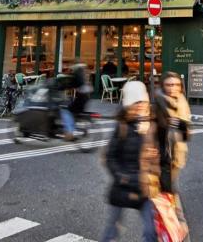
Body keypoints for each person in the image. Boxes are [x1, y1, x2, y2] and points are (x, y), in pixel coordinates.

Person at [100, 80, 164, 242]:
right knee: (111, 230)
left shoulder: (152, 125)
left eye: (143, 101)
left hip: (145, 186)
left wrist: (155, 162)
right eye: (137, 102)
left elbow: (159, 155)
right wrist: (121, 176)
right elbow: (109, 156)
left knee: (151, 232)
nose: (141, 105)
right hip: (123, 184)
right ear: (129, 104)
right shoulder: (122, 126)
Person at [59, 64, 93, 141]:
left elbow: (69, 85)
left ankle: (69, 133)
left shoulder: (77, 77)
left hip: (80, 100)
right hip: (85, 99)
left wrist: (61, 87)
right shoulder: (84, 77)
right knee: (70, 107)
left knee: (65, 111)